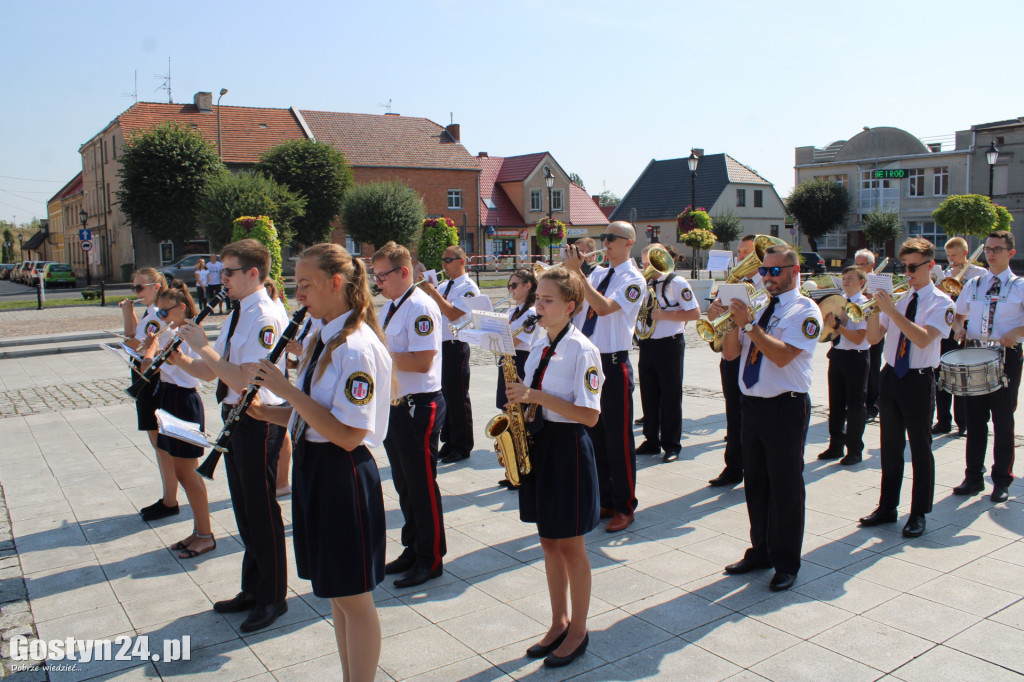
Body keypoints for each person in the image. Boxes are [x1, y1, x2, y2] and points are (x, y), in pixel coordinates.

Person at [246, 243, 390, 680]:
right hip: (317, 467)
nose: (297, 294)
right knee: (335, 593)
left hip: (341, 474)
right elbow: (314, 415)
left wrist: (285, 391)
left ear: (336, 283)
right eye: (295, 284)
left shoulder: (356, 349)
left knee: (353, 598)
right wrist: (265, 411)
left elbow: (347, 434)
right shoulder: (322, 336)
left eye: (305, 284)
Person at [176, 239, 290, 632]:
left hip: (258, 419)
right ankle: (253, 588)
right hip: (235, 415)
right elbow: (215, 372)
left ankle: (274, 596)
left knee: (261, 510)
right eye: (222, 271)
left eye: (228, 272)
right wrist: (183, 359)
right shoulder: (239, 311)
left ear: (252, 273)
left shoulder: (266, 316)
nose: (220, 278)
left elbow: (245, 378)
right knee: (244, 510)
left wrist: (203, 347)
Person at [505, 266, 601, 669]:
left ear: (570, 306)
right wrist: (521, 408)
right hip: (541, 445)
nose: (537, 306)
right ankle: (557, 620)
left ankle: (578, 629)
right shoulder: (541, 343)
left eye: (547, 300)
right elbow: (532, 397)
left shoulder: (584, 350)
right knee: (548, 541)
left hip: (568, 449)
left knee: (571, 546)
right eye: (537, 299)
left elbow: (590, 415)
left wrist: (536, 396)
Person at [721, 245, 821, 592]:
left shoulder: (805, 310)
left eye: (775, 272)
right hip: (753, 405)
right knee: (757, 483)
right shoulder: (760, 305)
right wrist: (732, 324)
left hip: (785, 406)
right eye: (764, 271)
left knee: (786, 487)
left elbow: (782, 356)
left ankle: (786, 561)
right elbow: (732, 354)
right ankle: (760, 550)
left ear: (794, 272)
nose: (766, 278)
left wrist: (748, 324)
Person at [859, 238, 954, 539]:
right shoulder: (897, 297)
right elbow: (874, 339)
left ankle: (919, 512)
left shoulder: (942, 302)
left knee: (920, 448)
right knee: (890, 446)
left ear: (930, 266)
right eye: (904, 267)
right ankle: (887, 507)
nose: (907, 273)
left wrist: (893, 311)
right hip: (891, 376)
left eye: (913, 267)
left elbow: (924, 338)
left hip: (918, 377)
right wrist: (873, 307)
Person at [371, 241, 448, 588]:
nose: (378, 283)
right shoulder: (393, 306)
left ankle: (430, 558)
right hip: (397, 404)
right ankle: (413, 546)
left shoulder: (419, 306)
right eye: (375, 276)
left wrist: (376, 358)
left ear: (404, 272)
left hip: (419, 403)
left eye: (382, 276)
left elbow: (422, 360)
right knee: (404, 484)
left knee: (421, 485)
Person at [563, 221, 645, 532]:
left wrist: (580, 274)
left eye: (611, 238)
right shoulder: (598, 273)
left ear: (628, 243)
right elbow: (579, 303)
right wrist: (568, 273)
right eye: (603, 237)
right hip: (591, 363)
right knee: (595, 434)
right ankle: (606, 498)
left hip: (614, 363)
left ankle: (626, 505)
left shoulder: (633, 279)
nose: (605, 242)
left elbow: (605, 306)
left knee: (619, 438)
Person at [139, 281, 216, 558]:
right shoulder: (171, 331)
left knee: (188, 472)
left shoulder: (191, 333)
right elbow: (149, 369)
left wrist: (172, 357)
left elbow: (204, 371)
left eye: (164, 311)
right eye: (158, 312)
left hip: (184, 401)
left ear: (181, 307)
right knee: (180, 470)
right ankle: (199, 531)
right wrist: (151, 348)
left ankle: (206, 534)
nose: (160, 317)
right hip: (168, 398)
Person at [952, 230, 1023, 503]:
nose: (992, 254)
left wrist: (1016, 330)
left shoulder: (1020, 286)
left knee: (1003, 422)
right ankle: (973, 477)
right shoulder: (974, 284)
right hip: (975, 356)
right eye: (989, 249)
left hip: (1006, 357)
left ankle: (1002, 480)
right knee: (975, 420)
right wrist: (959, 328)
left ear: (1010, 253)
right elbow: (959, 316)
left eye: (998, 249)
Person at [120, 268, 178, 521]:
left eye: (139, 288)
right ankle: (168, 497)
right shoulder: (150, 311)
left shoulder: (159, 314)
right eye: (134, 287)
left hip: (153, 380)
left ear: (156, 287)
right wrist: (127, 313)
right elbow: (133, 336)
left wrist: (136, 347)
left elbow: (147, 347)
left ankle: (170, 500)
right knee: (158, 444)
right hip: (145, 377)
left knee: (161, 443)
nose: (136, 293)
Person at [707, 234, 764, 487]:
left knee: (752, 416)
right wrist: (713, 312)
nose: (742, 257)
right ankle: (733, 467)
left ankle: (754, 467)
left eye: (748, 253)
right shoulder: (734, 281)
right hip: (731, 354)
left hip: (754, 355)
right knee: (733, 413)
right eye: (740, 253)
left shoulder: (766, 285)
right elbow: (713, 310)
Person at [635, 244, 700, 463]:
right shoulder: (645, 283)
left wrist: (663, 315)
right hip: (648, 343)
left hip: (669, 344)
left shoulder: (677, 282)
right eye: (643, 264)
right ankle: (651, 439)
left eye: (649, 264)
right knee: (649, 394)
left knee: (671, 396)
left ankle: (672, 445)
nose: (646, 268)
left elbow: (695, 313)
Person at [418, 245, 480, 464]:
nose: (444, 264)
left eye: (448, 260)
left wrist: (433, 292)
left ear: (462, 261)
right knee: (445, 396)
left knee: (458, 398)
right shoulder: (444, 284)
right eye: (443, 259)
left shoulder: (469, 287)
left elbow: (454, 315)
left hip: (456, 345)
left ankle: (462, 445)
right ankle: (450, 441)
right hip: (441, 345)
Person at [933, 237, 987, 437]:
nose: (951, 260)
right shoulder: (946, 274)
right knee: (942, 375)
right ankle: (943, 420)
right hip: (946, 329)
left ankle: (963, 422)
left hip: (967, 329)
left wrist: (962, 282)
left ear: (965, 253)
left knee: (963, 377)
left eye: (954, 255)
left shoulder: (980, 274)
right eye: (948, 256)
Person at [818, 266, 870, 466]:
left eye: (850, 278)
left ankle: (855, 449)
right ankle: (835, 445)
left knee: (856, 406)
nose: (846, 281)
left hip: (856, 357)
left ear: (861, 283)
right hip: (838, 355)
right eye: (844, 278)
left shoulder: (864, 305)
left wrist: (838, 326)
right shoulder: (837, 301)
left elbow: (859, 338)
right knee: (836, 403)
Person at [493, 268, 539, 489]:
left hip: (520, 362)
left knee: (519, 415)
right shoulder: (514, 312)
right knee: (507, 412)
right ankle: (513, 467)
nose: (510, 290)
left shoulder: (531, 313)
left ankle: (526, 467)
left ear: (527, 286)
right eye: (509, 286)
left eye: (514, 285)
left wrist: (495, 334)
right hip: (507, 362)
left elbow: (516, 341)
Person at [264, 279, 294, 497]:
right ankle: (281, 479)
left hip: (276, 371)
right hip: (277, 369)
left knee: (281, 431)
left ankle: (282, 480)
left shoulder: (273, 309)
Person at [855, 248, 882, 422]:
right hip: (856, 327)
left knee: (872, 367)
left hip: (875, 327)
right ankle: (858, 403)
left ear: (872, 265)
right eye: (856, 264)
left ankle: (872, 405)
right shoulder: (854, 279)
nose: (858, 267)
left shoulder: (879, 281)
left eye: (862, 264)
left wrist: (871, 296)